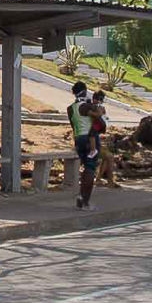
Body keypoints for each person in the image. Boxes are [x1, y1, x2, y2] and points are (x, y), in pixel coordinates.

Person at [68, 81, 101, 210]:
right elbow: (99, 119)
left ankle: (81, 196)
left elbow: (73, 125)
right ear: (85, 91)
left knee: (86, 166)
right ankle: (85, 201)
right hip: (90, 137)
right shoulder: (87, 106)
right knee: (90, 168)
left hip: (78, 139)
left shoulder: (70, 108)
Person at [89, 90, 120, 187]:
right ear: (94, 99)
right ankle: (110, 182)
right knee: (109, 156)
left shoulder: (98, 109)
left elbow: (103, 126)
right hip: (89, 140)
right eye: (99, 100)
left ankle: (98, 179)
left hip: (94, 138)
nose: (100, 102)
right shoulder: (91, 108)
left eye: (102, 100)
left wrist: (102, 115)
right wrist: (100, 114)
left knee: (107, 156)